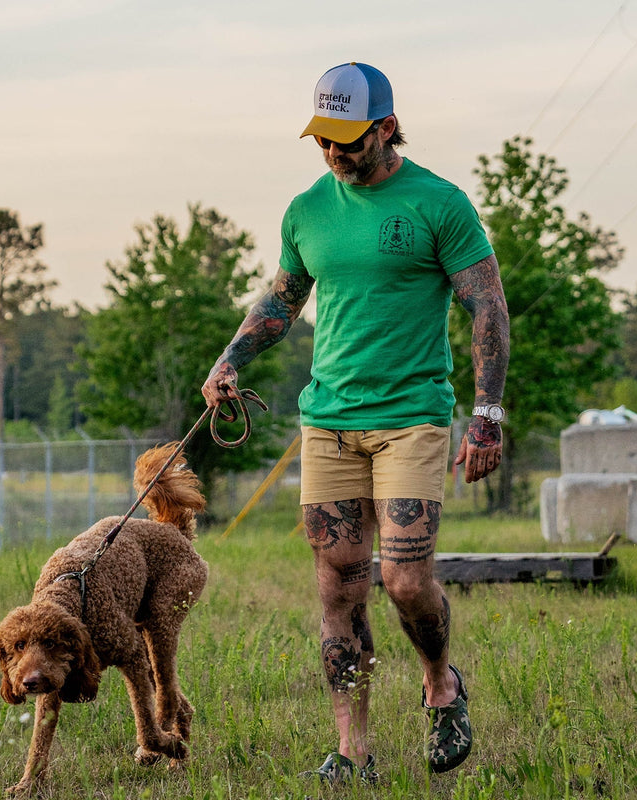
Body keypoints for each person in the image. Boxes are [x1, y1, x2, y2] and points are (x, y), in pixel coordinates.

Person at [202, 61, 509, 782]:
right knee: (338, 587)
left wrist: (488, 414)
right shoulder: (307, 210)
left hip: (411, 418)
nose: (335, 152)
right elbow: (281, 302)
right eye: (324, 140)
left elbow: (487, 306)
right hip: (330, 421)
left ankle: (441, 682)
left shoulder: (440, 203)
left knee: (404, 582)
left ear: (387, 126)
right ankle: (353, 750)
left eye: (348, 138)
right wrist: (229, 361)